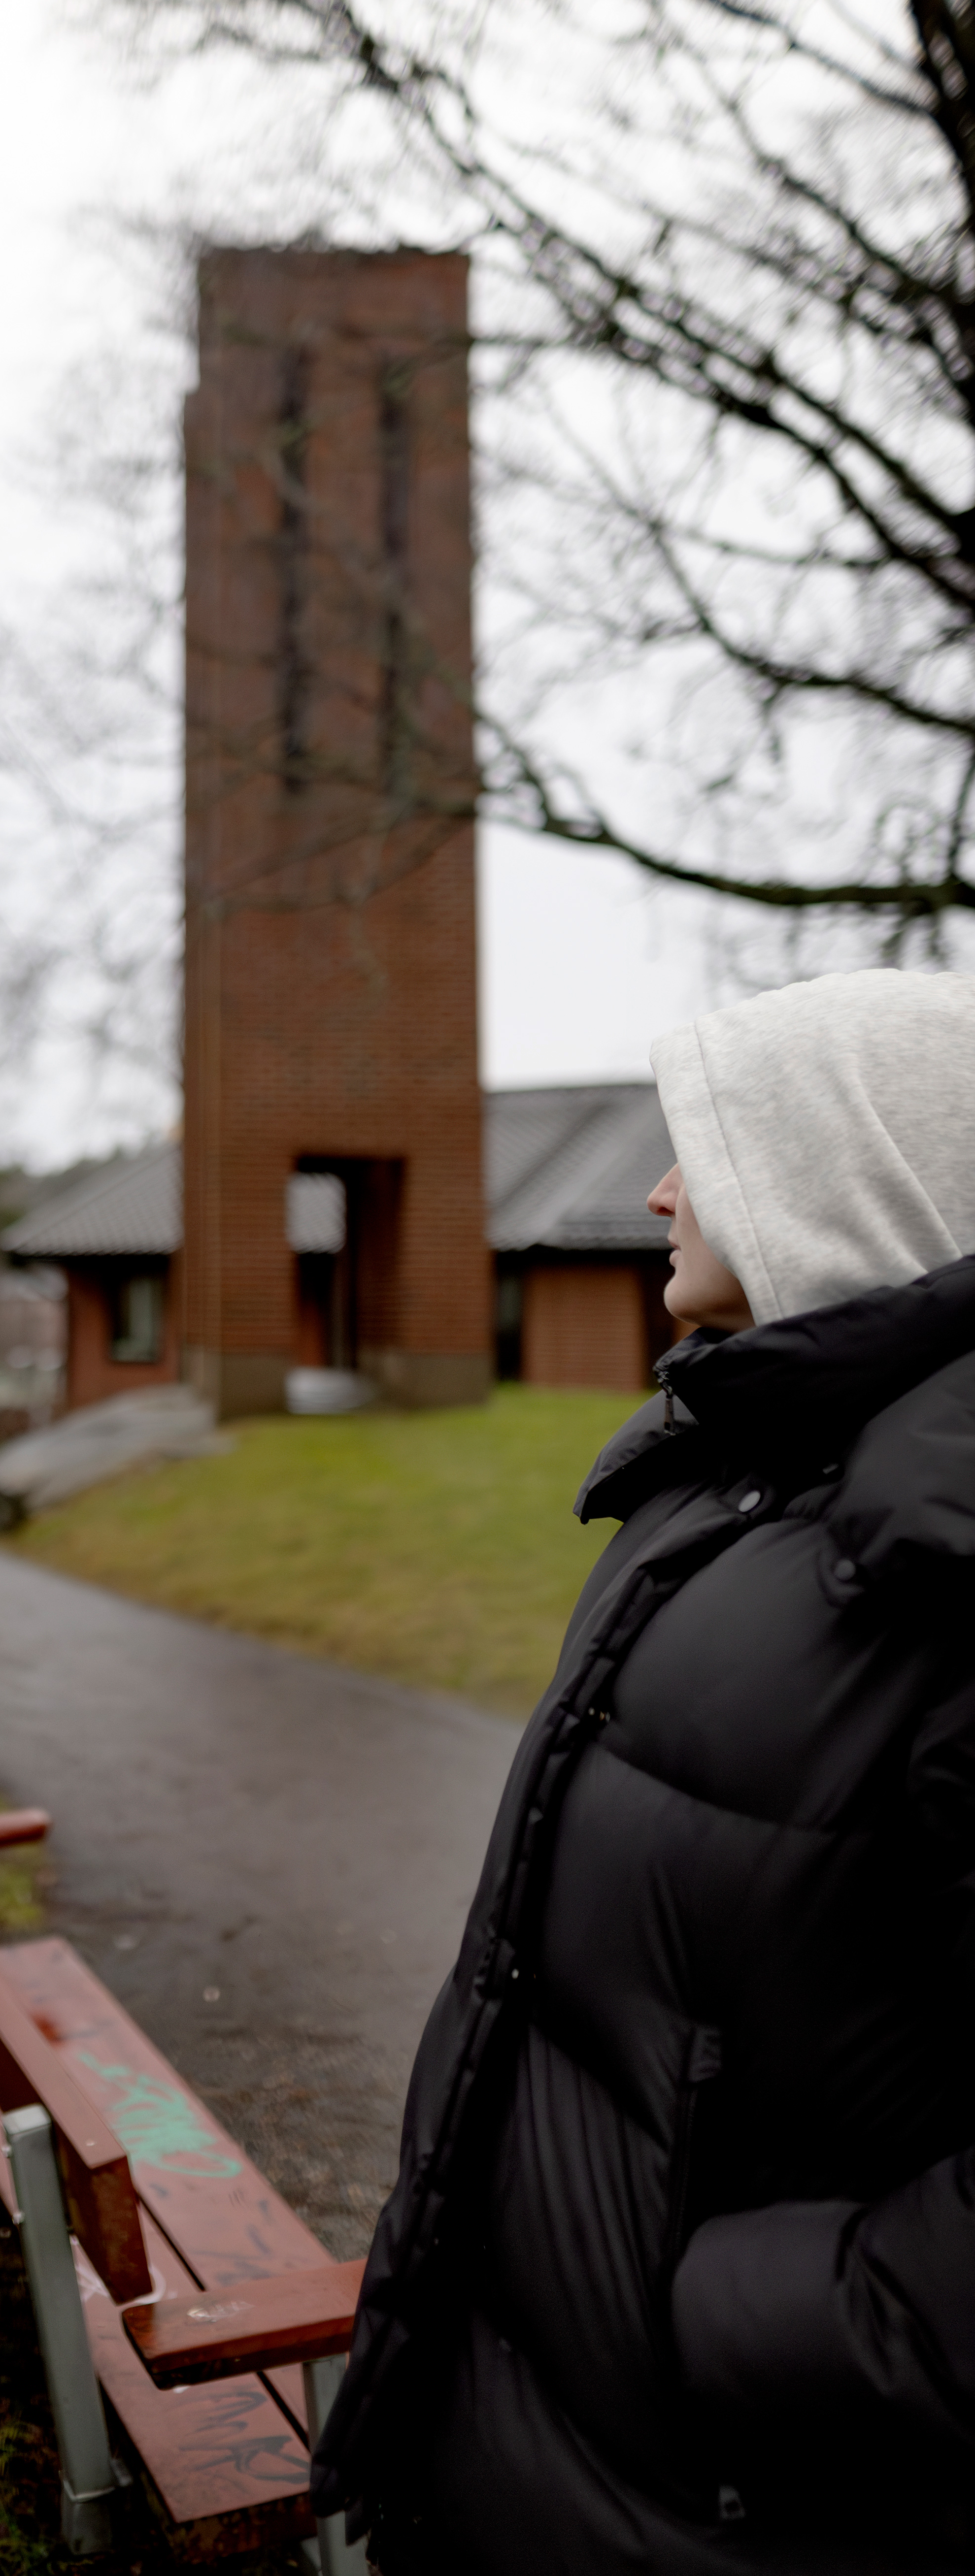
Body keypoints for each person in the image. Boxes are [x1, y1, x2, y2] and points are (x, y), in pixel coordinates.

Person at [315, 967, 975, 2575]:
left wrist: (759, 2318)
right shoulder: (712, 1487)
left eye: (705, 1145)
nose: (653, 1186)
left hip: (737, 2493)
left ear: (842, 1172)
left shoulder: (938, 1570)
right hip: (541, 2437)